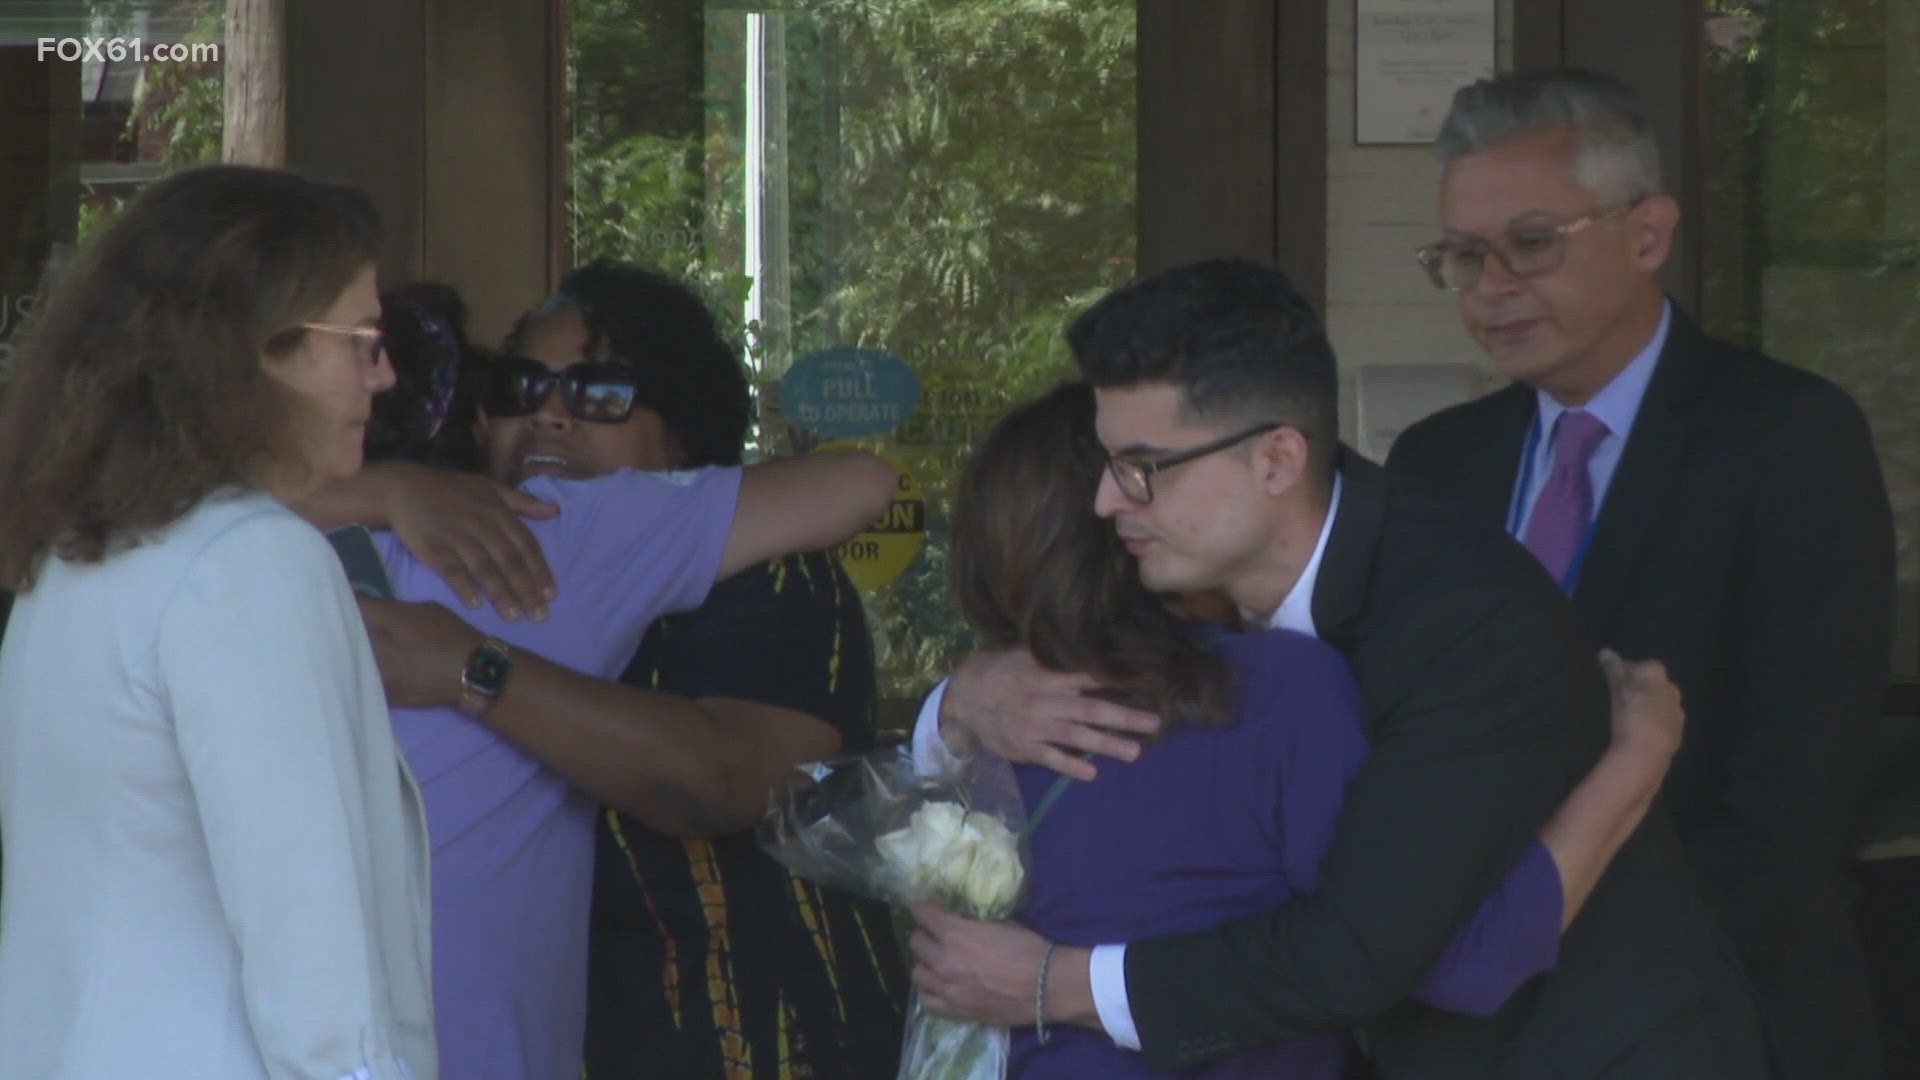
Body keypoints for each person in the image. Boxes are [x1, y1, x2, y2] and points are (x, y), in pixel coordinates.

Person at [905, 258, 1767, 1078]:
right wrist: (958, 702)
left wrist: (1055, 984)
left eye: (1142, 470)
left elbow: (1371, 952)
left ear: (1277, 461)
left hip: (1580, 1054)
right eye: (1104, 464)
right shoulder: (1198, 610)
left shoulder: (1463, 620)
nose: (1105, 501)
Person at [1386, 68, 1894, 1080]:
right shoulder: (1435, 464)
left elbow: (1798, 796)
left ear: (1649, 233)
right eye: (1463, 256)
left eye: (1531, 244)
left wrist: (1582, 977)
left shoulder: (1789, 436)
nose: (1492, 286)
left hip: (1714, 1014)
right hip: (1468, 1022)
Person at [299, 265, 900, 1080]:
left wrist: (473, 670)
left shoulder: (774, 577)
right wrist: (383, 489)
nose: (550, 412)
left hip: (751, 1037)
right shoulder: (458, 557)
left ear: (684, 438)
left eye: (600, 392)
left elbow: (715, 781)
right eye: (521, 386)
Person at [0, 165, 434, 1077]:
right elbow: (316, 969)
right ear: (252, 355)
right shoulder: (251, 563)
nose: (383, 374)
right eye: (360, 338)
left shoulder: (81, 559)